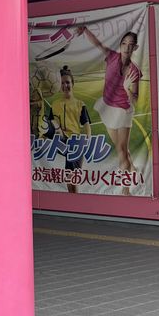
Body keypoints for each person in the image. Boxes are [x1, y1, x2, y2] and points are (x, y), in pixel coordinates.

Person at [76, 25, 141, 194]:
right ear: (120, 45)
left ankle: (126, 188)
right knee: (121, 148)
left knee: (121, 150)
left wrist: (127, 89)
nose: (127, 47)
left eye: (131, 45)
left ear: (135, 48)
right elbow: (98, 44)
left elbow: (135, 100)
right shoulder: (112, 57)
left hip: (123, 111)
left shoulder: (134, 71)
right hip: (107, 106)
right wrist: (85, 31)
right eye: (124, 43)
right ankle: (132, 168)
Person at [44, 65, 91, 193]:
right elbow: (50, 122)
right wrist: (54, 131)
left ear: (72, 84)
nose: (65, 85)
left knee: (71, 180)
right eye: (62, 83)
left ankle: (75, 203)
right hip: (61, 140)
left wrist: (86, 141)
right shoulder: (55, 104)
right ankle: (74, 203)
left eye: (68, 82)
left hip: (75, 144)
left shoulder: (80, 104)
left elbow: (86, 125)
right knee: (43, 121)